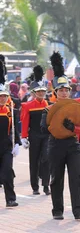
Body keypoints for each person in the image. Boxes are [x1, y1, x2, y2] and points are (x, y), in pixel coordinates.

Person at [41, 52, 80, 221]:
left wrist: (73, 127)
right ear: (55, 92)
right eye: (60, 90)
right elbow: (43, 128)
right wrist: (56, 126)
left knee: (76, 176)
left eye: (66, 90)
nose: (63, 93)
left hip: (72, 145)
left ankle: (78, 210)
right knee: (57, 179)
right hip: (55, 145)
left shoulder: (77, 107)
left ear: (70, 91)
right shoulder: (48, 109)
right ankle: (57, 210)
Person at [20, 65, 50, 195]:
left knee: (46, 159)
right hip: (34, 135)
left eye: (43, 91)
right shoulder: (28, 106)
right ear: (33, 92)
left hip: (46, 136)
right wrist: (24, 137)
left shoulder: (48, 104)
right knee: (34, 160)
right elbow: (25, 121)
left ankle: (46, 185)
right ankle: (35, 186)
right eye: (38, 92)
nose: (41, 94)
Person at [0, 56, 19, 207]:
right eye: (1, 96)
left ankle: (10, 199)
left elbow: (13, 128)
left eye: (5, 96)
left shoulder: (9, 110)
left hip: (6, 145)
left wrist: (17, 142)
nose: (3, 98)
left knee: (7, 172)